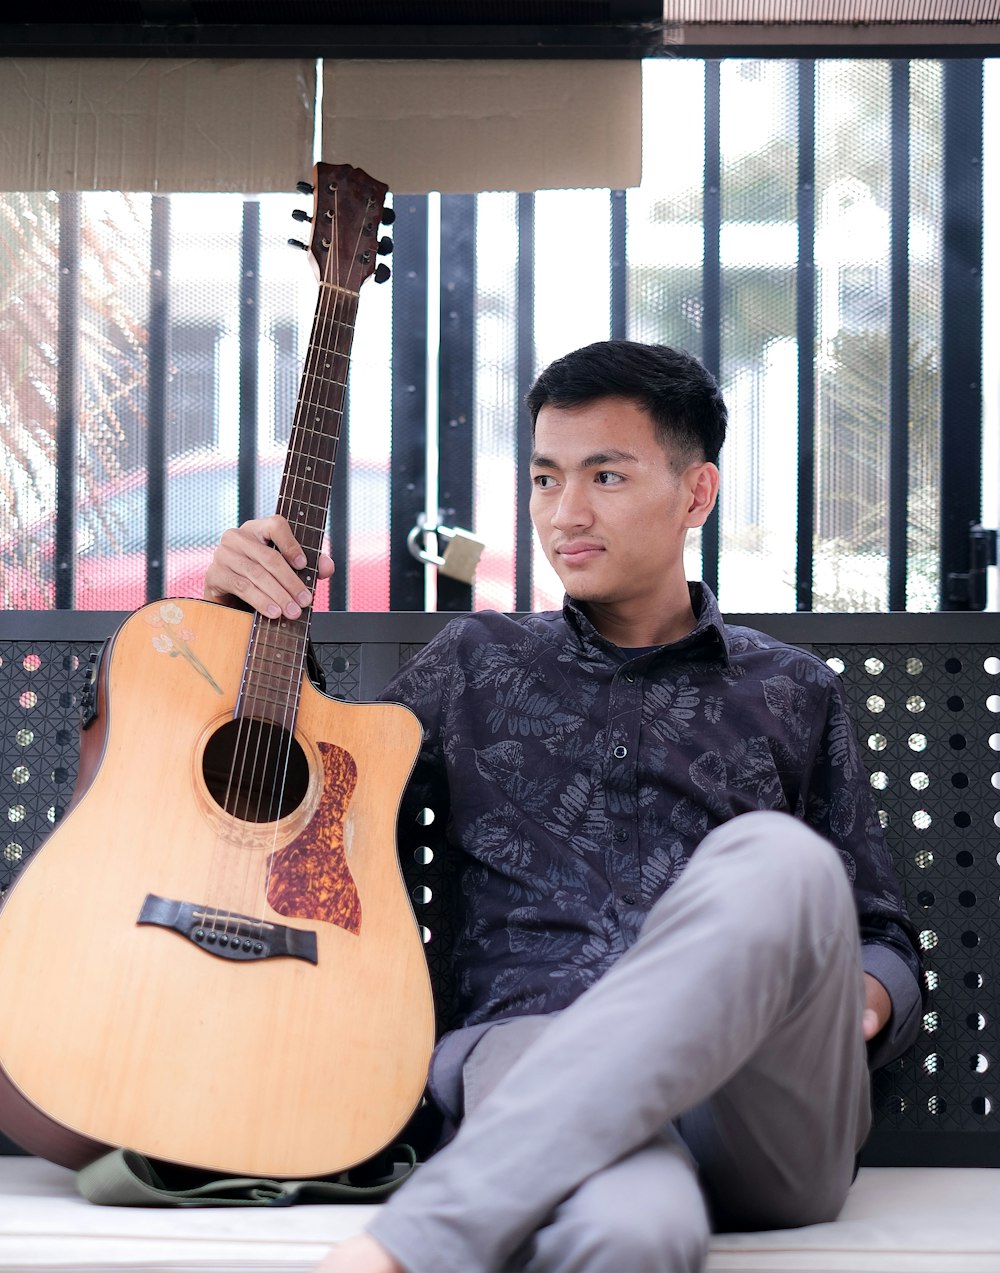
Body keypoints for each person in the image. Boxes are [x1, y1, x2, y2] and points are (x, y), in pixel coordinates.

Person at [204, 340, 921, 1273]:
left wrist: (857, 996)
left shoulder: (791, 689)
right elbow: (299, 804)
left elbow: (880, 935)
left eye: (606, 475)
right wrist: (231, 617)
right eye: (545, 478)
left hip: (754, 1097)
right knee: (631, 1231)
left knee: (779, 861)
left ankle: (406, 1248)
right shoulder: (475, 663)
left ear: (696, 495)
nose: (564, 513)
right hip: (532, 1054)